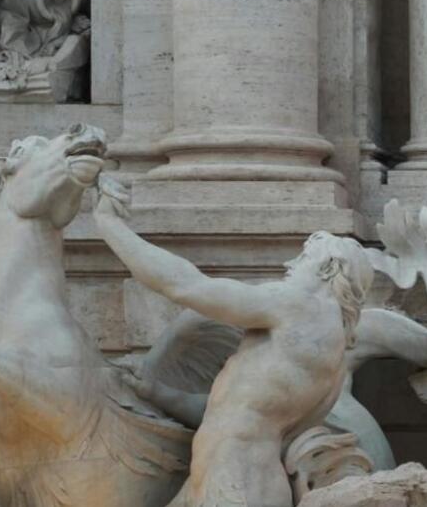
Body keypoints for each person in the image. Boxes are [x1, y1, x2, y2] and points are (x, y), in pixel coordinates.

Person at [94, 188, 371, 507]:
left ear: (327, 269)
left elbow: (186, 286)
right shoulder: (332, 352)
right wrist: (158, 393)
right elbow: (233, 411)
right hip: (234, 479)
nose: (289, 263)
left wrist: (109, 225)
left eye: (305, 256)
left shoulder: (300, 306)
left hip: (238, 483)